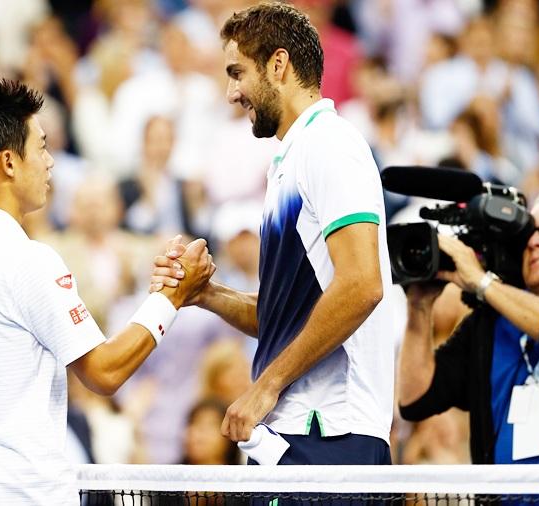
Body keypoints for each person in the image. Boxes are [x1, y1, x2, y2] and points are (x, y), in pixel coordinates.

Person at [0, 78, 215, 505]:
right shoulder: (29, 261)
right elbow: (104, 372)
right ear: (9, 162)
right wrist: (170, 297)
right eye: (41, 147)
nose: (49, 163)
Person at [152, 3, 394, 465]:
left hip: (329, 432)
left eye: (237, 72)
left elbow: (362, 285)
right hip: (298, 433)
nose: (230, 93)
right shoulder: (292, 158)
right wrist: (205, 293)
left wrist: (266, 385)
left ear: (277, 65)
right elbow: (288, 318)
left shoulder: (330, 144)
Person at [398, 191, 539, 464]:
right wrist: (419, 305)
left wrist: (481, 281)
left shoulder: (487, 292)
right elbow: (415, 399)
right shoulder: (488, 324)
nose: (535, 242)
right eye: (528, 234)